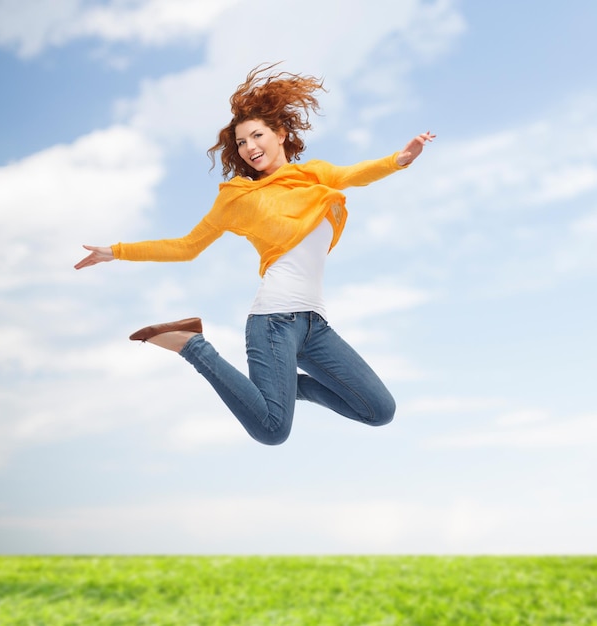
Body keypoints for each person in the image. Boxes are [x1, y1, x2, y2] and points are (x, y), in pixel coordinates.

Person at [75, 64, 435, 446]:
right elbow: (186, 246)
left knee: (378, 410)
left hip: (315, 326)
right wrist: (116, 251)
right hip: (274, 321)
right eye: (242, 142)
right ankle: (192, 345)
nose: (249, 147)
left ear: (280, 135)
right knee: (272, 430)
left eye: (256, 136)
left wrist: (400, 159)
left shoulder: (313, 175)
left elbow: (354, 173)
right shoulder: (240, 198)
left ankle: (282, 388)